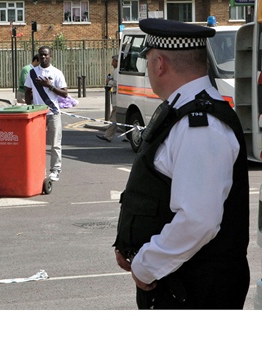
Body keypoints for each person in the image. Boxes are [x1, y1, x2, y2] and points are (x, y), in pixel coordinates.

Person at [113, 19, 250, 309]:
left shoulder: (199, 125)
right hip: (181, 285)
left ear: (160, 63)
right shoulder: (181, 112)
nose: (148, 68)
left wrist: (146, 264)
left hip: (195, 291)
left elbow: (198, 220)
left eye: (147, 60)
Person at [24, 46, 68, 182]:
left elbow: (65, 93)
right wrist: (29, 106)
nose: (43, 57)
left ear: (50, 56)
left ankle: (55, 170)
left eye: (46, 55)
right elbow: (27, 91)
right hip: (38, 114)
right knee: (37, 144)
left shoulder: (56, 73)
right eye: (41, 55)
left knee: (55, 143)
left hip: (53, 112)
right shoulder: (32, 73)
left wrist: (49, 86)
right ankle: (38, 169)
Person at [96, 54, 127, 143]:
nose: (111, 63)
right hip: (121, 97)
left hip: (118, 98)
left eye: (113, 61)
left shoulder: (117, 71)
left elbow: (117, 83)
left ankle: (108, 136)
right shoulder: (119, 70)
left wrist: (108, 81)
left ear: (117, 62)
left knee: (114, 118)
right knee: (122, 118)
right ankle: (129, 137)